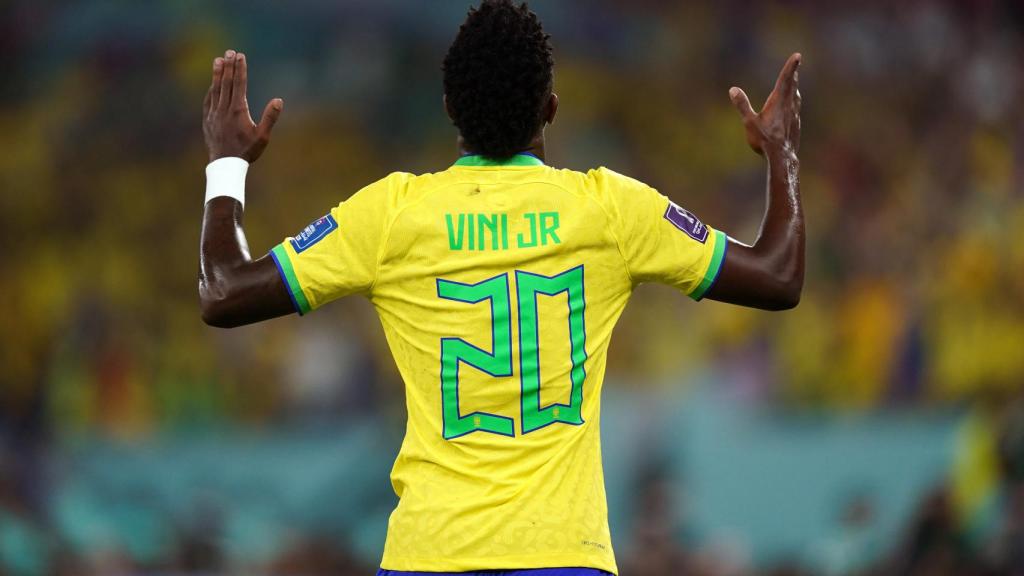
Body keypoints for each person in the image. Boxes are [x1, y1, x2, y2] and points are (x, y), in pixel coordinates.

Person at [197, 1, 803, 574]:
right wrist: (781, 155)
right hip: (564, 552)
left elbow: (225, 291)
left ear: (448, 108)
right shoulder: (611, 210)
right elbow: (776, 276)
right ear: (551, 108)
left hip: (431, 554)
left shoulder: (391, 215)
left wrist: (228, 164)